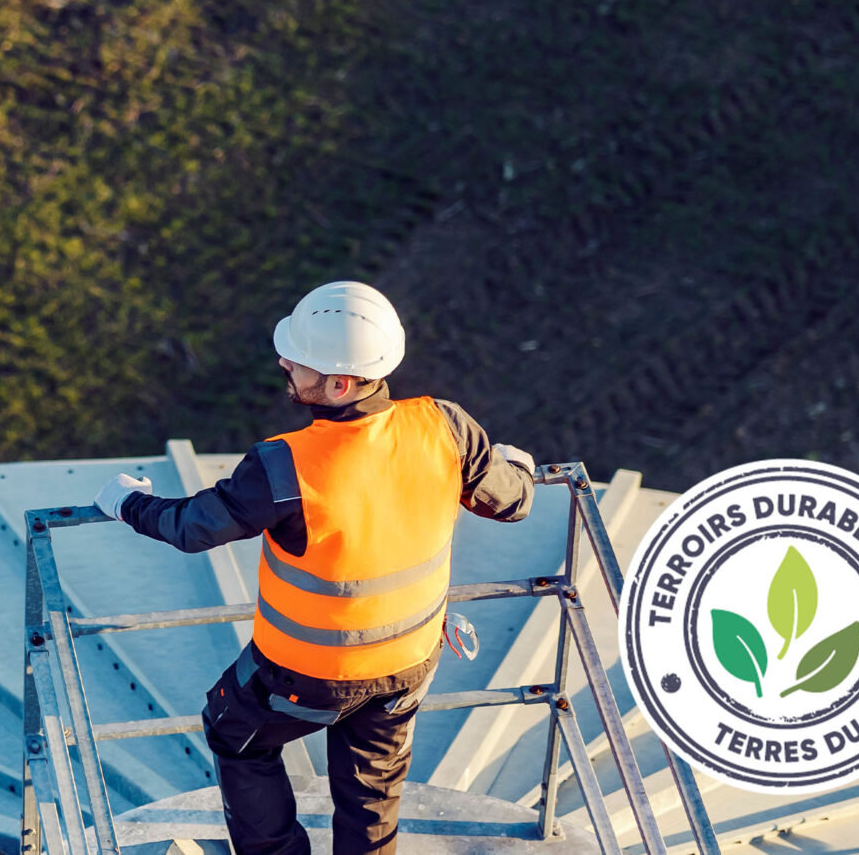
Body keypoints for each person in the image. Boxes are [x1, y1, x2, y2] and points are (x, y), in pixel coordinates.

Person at [90, 281, 539, 855]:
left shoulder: (284, 465)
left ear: (340, 382)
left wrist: (124, 502)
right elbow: (512, 500)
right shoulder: (446, 426)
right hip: (407, 660)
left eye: (297, 361)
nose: (283, 364)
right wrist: (513, 463)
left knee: (237, 738)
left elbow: (191, 527)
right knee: (372, 786)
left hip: (305, 674)